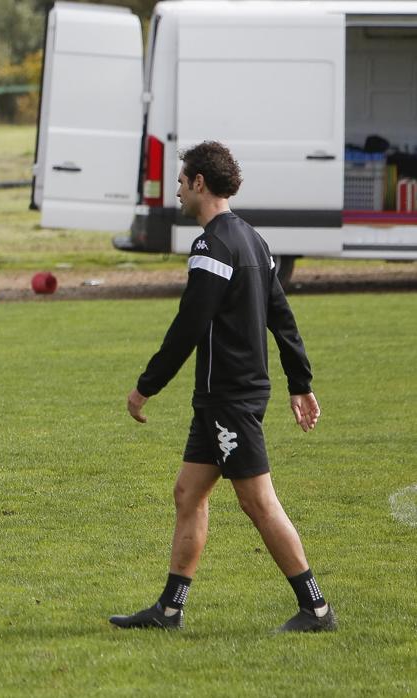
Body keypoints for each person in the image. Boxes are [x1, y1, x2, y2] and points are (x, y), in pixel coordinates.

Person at [110, 141, 335, 633]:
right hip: (226, 396)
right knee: (188, 493)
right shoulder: (253, 239)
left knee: (257, 501)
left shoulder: (213, 246)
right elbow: (282, 315)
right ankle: (169, 609)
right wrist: (300, 382)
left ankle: (316, 608)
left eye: (181, 180)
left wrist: (146, 386)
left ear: (199, 184)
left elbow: (190, 323)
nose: (176, 190)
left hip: (229, 398)